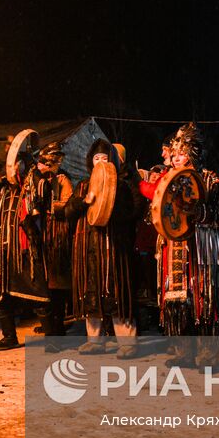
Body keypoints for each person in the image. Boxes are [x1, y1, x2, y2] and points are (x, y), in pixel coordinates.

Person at [150, 123, 219, 367]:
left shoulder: (209, 180)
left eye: (181, 153)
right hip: (173, 247)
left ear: (193, 153)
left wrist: (199, 212)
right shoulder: (167, 181)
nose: (174, 157)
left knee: (204, 301)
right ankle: (182, 351)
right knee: (176, 302)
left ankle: (208, 355)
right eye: (173, 153)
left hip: (201, 248)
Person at [65, 139, 142, 357]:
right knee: (92, 292)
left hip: (114, 247)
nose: (100, 163)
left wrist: (111, 210)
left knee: (117, 292)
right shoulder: (83, 185)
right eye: (97, 158)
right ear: (91, 161)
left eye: (105, 159)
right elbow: (69, 211)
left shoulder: (123, 185)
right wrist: (83, 202)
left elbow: (135, 210)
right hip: (89, 248)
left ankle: (127, 342)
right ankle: (94, 340)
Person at [0, 144, 46, 351]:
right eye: (7, 166)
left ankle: (54, 336)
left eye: (14, 164)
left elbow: (40, 193)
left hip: (25, 248)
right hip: (1, 250)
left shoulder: (29, 184)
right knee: (0, 293)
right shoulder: (0, 189)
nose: (10, 169)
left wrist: (28, 166)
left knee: (38, 289)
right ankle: (9, 337)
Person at [22, 141, 74, 348]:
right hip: (41, 234)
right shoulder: (35, 179)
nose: (39, 165)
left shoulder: (62, 179)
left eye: (44, 162)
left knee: (57, 282)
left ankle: (57, 326)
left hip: (57, 234)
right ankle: (50, 324)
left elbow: (67, 204)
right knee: (45, 281)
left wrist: (48, 207)